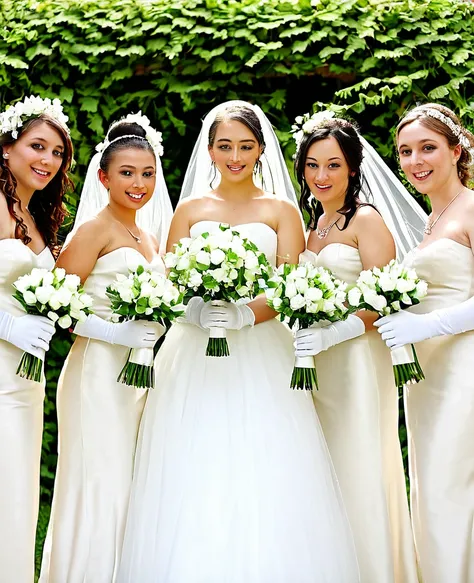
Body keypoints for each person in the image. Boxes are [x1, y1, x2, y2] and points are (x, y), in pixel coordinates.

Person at [117, 101, 360, 583]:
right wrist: (198, 311)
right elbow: (170, 282)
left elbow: (289, 285)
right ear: (209, 150)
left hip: (263, 350)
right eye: (225, 146)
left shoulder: (281, 210)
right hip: (193, 351)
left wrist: (246, 314)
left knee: (266, 462)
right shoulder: (189, 210)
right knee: (193, 460)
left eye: (245, 146)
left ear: (260, 150)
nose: (235, 156)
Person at [39, 115, 172, 583]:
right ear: (103, 176)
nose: (138, 184)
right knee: (98, 481)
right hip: (96, 372)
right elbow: (57, 307)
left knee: (128, 483)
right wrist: (114, 334)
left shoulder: (149, 236)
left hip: (136, 378)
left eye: (147, 173)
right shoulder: (92, 230)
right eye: (127, 173)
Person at [293, 113, 419, 583]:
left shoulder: (366, 220)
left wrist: (338, 332)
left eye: (333, 165)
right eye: (312, 165)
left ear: (351, 169)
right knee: (325, 468)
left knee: (362, 461)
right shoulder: (315, 225)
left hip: (359, 361)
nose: (321, 176)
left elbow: (385, 297)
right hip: (319, 365)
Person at [375, 103, 474, 583]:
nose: (416, 161)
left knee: (454, 488)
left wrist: (427, 328)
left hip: (462, 372)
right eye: (406, 151)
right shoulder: (430, 222)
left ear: (457, 150)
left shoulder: (472, 208)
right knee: (433, 489)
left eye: (428, 148)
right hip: (425, 382)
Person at [0, 95, 73, 583]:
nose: (47, 161)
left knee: (17, 486)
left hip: (26, 375)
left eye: (57, 154)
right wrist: (9, 326)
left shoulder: (36, 215)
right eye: (37, 147)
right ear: (7, 148)